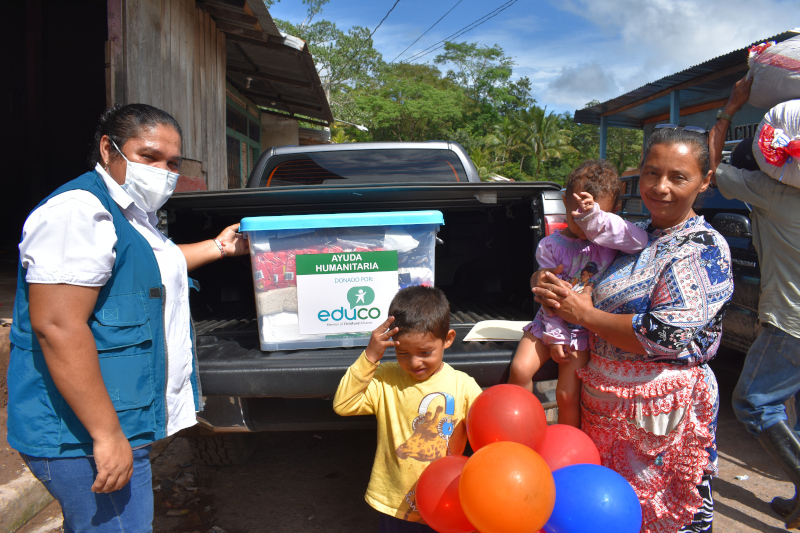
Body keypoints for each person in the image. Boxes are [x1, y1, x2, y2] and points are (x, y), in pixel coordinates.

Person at [6, 103, 248, 532]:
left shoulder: (132, 215)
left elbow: (156, 265)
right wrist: (106, 434)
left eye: (172, 163)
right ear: (108, 148)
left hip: (115, 426)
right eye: (148, 156)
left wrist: (219, 246)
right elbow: (58, 326)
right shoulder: (78, 212)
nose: (163, 171)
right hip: (79, 437)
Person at [532, 126, 733, 533]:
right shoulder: (635, 236)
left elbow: (664, 335)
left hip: (663, 422)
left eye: (678, 177)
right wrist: (548, 285)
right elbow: (581, 271)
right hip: (604, 412)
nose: (660, 187)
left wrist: (582, 314)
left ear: (704, 181)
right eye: (651, 173)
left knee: (665, 519)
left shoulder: (702, 248)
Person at [709, 76, 800, 530]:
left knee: (754, 403)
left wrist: (732, 106)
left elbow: (709, 164)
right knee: (795, 410)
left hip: (792, 325)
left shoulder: (770, 192)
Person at [508, 160, 648, 427]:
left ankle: (568, 446)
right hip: (547, 322)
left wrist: (596, 219)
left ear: (612, 212)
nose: (584, 227)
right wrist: (555, 334)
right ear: (563, 202)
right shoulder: (551, 245)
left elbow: (639, 240)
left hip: (581, 332)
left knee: (566, 394)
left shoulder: (609, 244)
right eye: (577, 217)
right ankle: (526, 431)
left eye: (591, 219)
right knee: (519, 370)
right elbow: (548, 295)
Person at [333, 286, 482, 532]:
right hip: (396, 504)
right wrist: (370, 356)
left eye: (425, 352)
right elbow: (343, 404)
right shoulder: (384, 378)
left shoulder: (462, 385)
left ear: (448, 339)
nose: (414, 362)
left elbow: (486, 433)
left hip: (445, 500)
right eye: (402, 353)